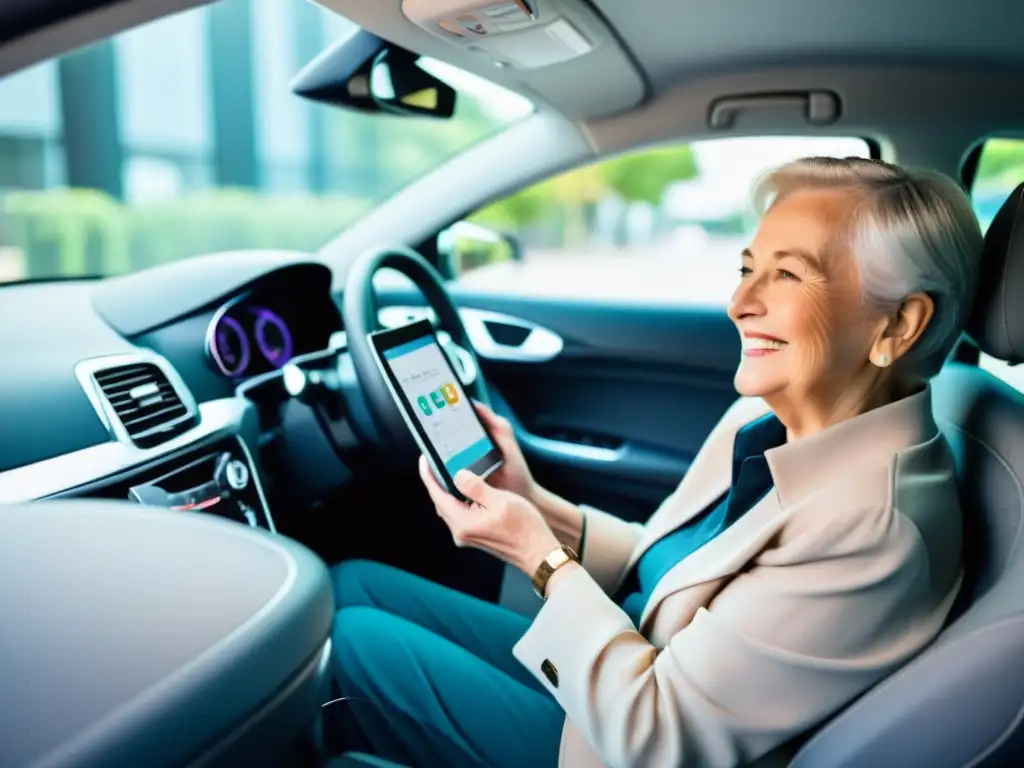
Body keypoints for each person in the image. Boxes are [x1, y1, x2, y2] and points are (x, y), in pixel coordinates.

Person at [329, 157, 983, 768]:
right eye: (746, 268)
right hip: (622, 664)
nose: (740, 303)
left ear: (897, 327)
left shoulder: (877, 530)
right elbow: (674, 575)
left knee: (346, 648)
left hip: (613, 739)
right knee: (351, 582)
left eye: (787, 274)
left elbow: (658, 736)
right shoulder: (778, 420)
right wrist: (534, 505)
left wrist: (539, 558)